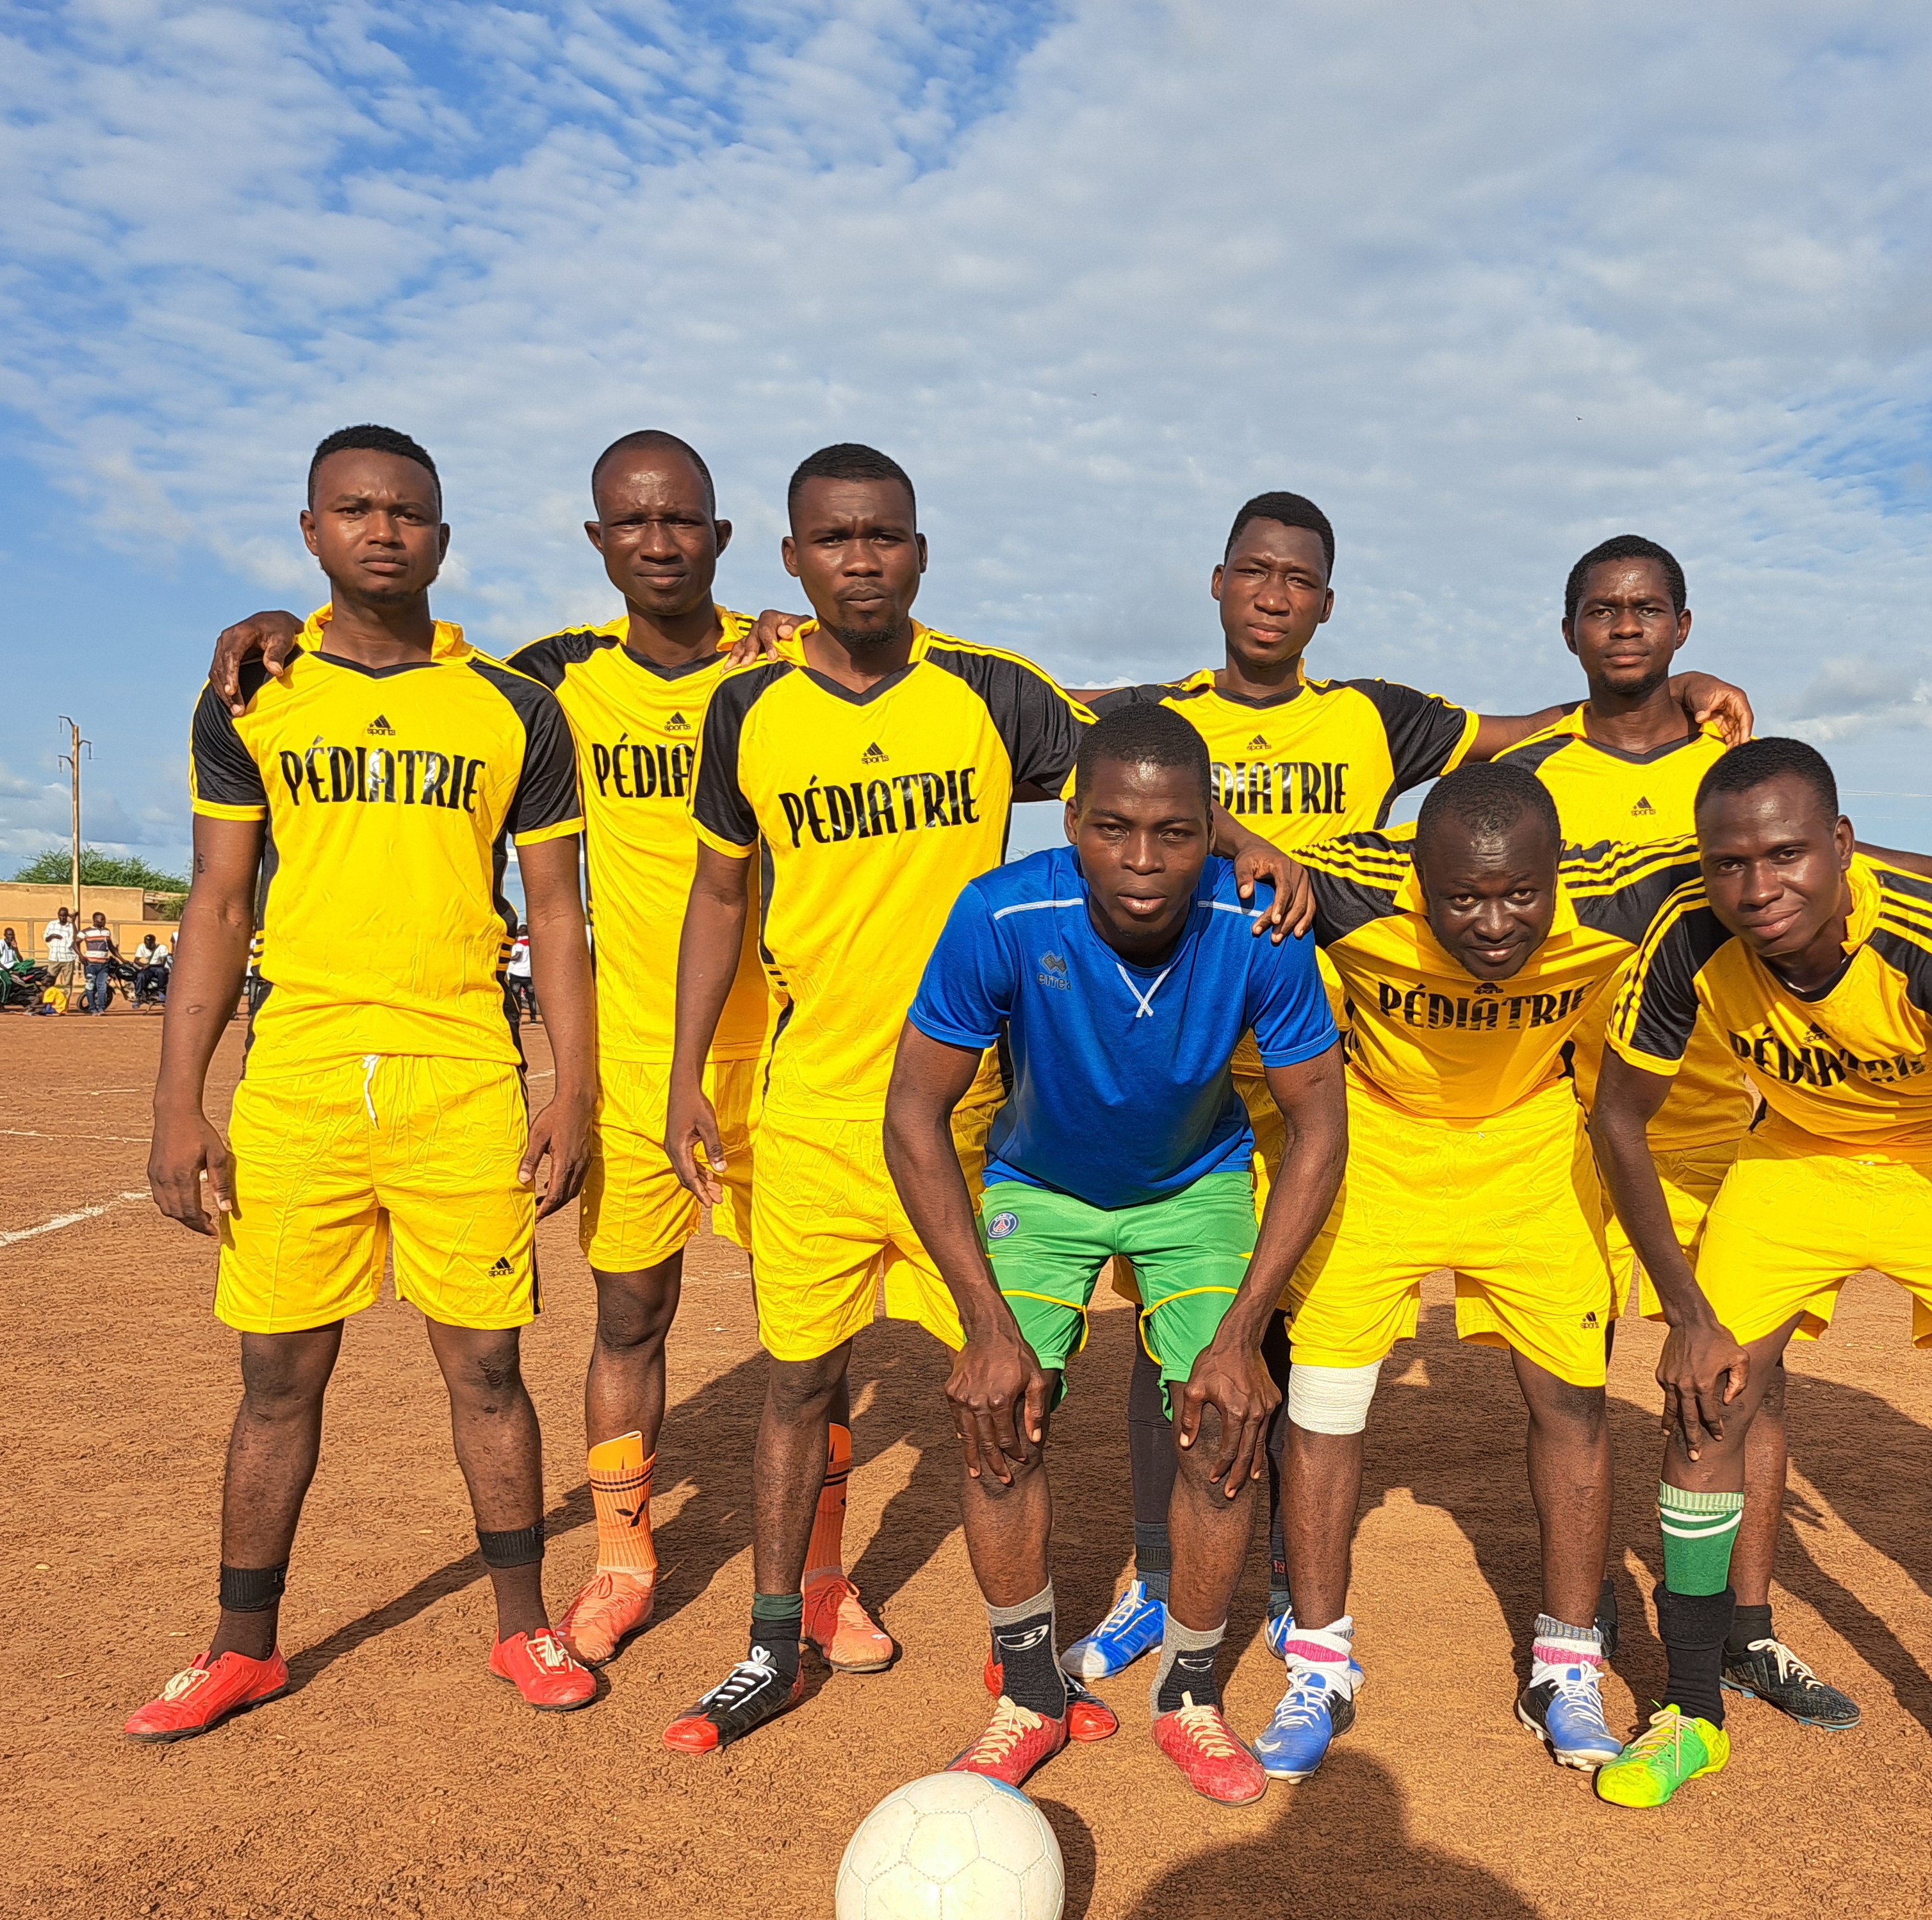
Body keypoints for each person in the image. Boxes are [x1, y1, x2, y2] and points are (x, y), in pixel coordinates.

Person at [744, 491, 1758, 1689]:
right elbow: (1051, 750)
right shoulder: (1153, 718)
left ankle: (1277, 1586)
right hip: (1183, 1069)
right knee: (1169, 1348)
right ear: (1218, 583)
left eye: (1298, 579)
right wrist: (769, 639)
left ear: (1323, 601)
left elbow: (1517, 735)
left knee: (1272, 1339)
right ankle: (1165, 1583)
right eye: (1254, 574)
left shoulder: (1374, 719)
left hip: (1339, 1062)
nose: (1274, 595)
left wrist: (1671, 693)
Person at [202, 430, 895, 1682]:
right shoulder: (550, 685)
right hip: (627, 1065)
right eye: (632, 525)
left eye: (683, 520)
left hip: (779, 1059)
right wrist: (273, 628)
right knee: (631, 1313)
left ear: (722, 536)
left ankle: (824, 1576)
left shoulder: (785, 660)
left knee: (815, 1343)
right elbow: (403, 672)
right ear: (599, 542)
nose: (660, 541)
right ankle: (623, 1565)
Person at [660, 441, 1307, 1753]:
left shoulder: (989, 697)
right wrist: (684, 1073)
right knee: (799, 1380)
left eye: (885, 536)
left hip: (972, 1128)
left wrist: (1245, 841)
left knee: (1006, 1399)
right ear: (788, 558)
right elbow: (719, 896)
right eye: (834, 539)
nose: (860, 558)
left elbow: (1134, 768)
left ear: (918, 552)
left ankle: (1048, 1675)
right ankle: (773, 1641)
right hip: (817, 1104)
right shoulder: (747, 712)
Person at [125, 422, 603, 1743]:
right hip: (302, 1078)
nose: (383, 530)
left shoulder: (513, 707)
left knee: (488, 1368)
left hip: (463, 1071)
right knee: (276, 1374)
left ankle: (523, 1625)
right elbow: (218, 903)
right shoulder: (253, 696)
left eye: (408, 513)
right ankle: (241, 1647)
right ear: (312, 533)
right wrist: (180, 1101)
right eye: (355, 509)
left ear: (442, 540)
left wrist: (575, 1088)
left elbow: (556, 915)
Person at [1499, 534, 1932, 1733]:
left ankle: (1744, 1633)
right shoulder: (1534, 766)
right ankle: (1573, 1635)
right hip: (1583, 1115)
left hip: (1726, 1124)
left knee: (1745, 1384)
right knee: (1569, 1386)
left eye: (1647, 611)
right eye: (1599, 611)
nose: (1623, 628)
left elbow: (1826, 858)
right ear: (1567, 627)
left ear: (1682, 625)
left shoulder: (1727, 757)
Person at [1593, 739, 1932, 1862]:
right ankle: (1690, 1714)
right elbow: (1616, 1119)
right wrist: (1688, 1309)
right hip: (1798, 1156)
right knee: (1703, 1402)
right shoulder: (1686, 933)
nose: (1756, 889)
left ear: (1838, 846)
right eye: (1728, 863)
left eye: (1785, 855)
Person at [885, 705, 1349, 1794]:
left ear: (1211, 831)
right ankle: (1027, 1690)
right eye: (1112, 827)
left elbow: (1320, 1127)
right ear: (1069, 822)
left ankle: (1188, 1691)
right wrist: (985, 1325)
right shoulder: (1003, 912)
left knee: (1227, 1420)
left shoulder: (1258, 927)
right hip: (1039, 1183)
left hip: (1192, 1185)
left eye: (1174, 833)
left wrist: (1242, 1337)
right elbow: (913, 1112)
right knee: (997, 1412)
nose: (1141, 861)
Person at [1254, 761, 1693, 1783]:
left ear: (1559, 872)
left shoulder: (1624, 890)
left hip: (1532, 1158)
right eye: (1463, 898)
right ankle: (1317, 1667)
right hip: (1380, 1155)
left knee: (1574, 1408)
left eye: (1520, 895)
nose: (1495, 924)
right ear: (1416, 876)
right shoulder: (1353, 885)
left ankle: (1566, 1667)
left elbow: (1752, 850)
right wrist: (1245, 845)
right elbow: (1215, 830)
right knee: (1322, 1410)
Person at [79, 910, 120, 1013]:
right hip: (90, 965)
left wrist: (121, 958)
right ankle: (92, 1008)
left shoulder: (107, 931)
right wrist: (81, 956)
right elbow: (75, 944)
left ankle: (101, 1008)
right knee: (90, 986)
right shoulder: (86, 932)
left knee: (102, 987)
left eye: (104, 919)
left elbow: (111, 947)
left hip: (104, 965)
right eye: (102, 920)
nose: (104, 921)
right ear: (95, 920)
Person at [504, 919, 534, 1022]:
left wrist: (507, 958)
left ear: (522, 932)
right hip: (530, 974)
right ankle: (534, 1018)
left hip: (517, 973)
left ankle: (519, 1015)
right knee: (531, 996)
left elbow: (517, 957)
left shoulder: (519, 944)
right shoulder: (533, 944)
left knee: (516, 996)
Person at [45, 907, 76, 994]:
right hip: (54, 958)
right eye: (61, 916)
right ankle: (48, 1004)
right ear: (58, 915)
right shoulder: (52, 925)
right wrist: (53, 936)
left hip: (67, 959)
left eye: (65, 916)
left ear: (67, 915)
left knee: (67, 984)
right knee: (48, 982)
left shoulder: (71, 926)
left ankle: (64, 1005)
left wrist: (73, 922)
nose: (63, 918)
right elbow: (46, 939)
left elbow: (75, 938)